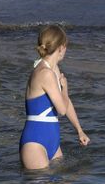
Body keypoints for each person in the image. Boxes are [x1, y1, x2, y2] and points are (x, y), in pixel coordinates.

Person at [19, 25, 90, 169]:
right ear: (61, 47)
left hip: (52, 141)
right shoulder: (45, 73)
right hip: (35, 142)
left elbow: (65, 101)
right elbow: (62, 110)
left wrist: (79, 130)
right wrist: (65, 88)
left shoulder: (53, 69)